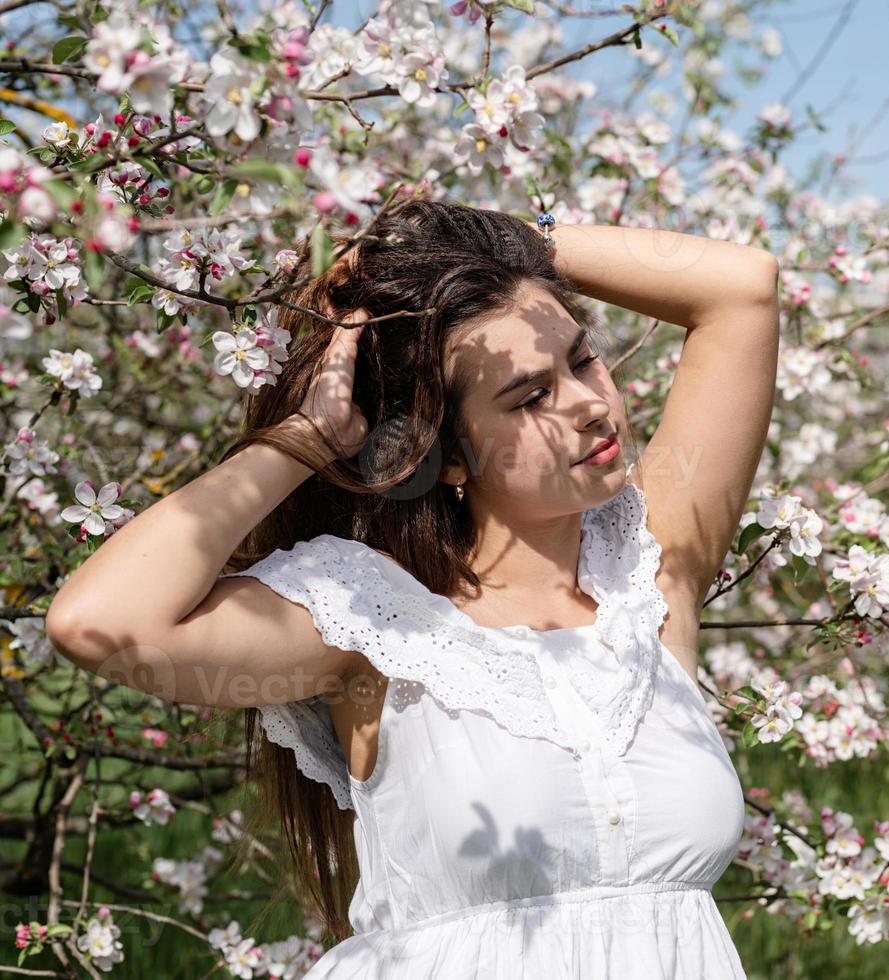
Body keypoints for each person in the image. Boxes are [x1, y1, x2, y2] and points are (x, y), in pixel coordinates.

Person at [45, 198, 781, 977]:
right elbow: (99, 624)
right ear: (449, 457)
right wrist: (306, 440)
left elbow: (742, 287)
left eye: (581, 359)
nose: (589, 404)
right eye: (529, 397)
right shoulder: (370, 620)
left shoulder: (649, 576)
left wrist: (477, 250)